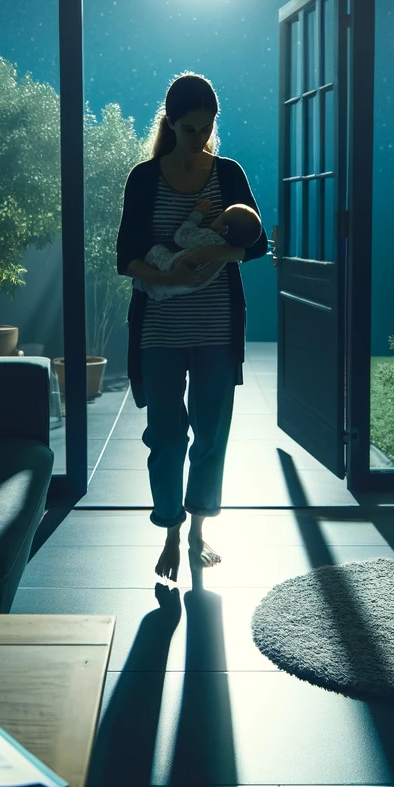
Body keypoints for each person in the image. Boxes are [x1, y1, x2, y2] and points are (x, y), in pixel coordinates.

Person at [116, 73, 269, 582]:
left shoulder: (227, 174)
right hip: (159, 328)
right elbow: (125, 256)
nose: (199, 138)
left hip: (216, 329)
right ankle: (170, 531)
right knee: (165, 435)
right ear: (170, 123)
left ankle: (199, 532)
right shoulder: (144, 178)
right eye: (189, 129)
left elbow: (258, 244)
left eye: (207, 128)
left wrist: (214, 251)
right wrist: (164, 275)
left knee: (211, 434)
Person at [133, 197, 263, 302]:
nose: (215, 217)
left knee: (155, 250)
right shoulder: (228, 255)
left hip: (168, 268)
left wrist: (197, 214)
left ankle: (143, 280)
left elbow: (181, 236)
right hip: (187, 287)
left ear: (224, 229)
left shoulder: (210, 239)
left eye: (220, 216)